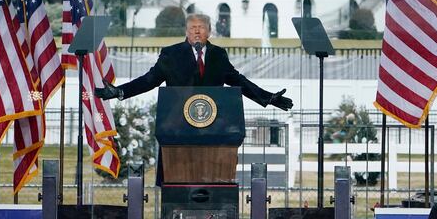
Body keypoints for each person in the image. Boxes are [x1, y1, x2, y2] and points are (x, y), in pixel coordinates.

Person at [95, 13, 293, 183]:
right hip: (178, 132)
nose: (196, 32)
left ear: (209, 32)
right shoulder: (171, 54)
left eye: (201, 28)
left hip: (214, 134)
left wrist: (269, 98)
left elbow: (238, 81)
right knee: (177, 187)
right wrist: (120, 92)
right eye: (192, 28)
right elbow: (149, 80)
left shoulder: (218, 54)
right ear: (186, 31)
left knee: (211, 185)